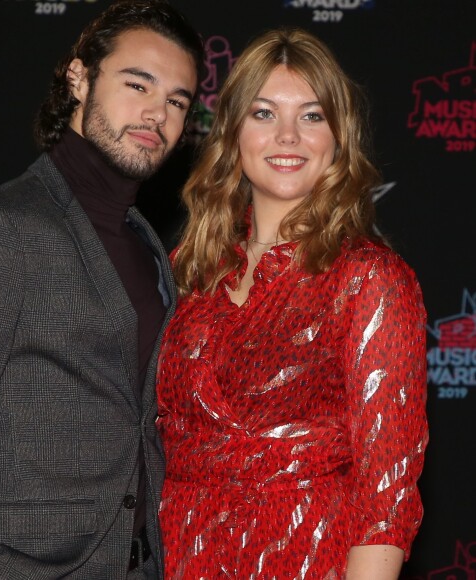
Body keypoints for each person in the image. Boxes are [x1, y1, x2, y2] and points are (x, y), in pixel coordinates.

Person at [0, 1, 204, 578]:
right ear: (80, 79)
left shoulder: (148, 247)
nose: (155, 113)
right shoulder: (0, 230)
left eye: (177, 101)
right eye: (138, 84)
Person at [156, 27, 428, 579]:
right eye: (263, 114)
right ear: (231, 132)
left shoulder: (369, 280)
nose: (287, 136)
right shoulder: (186, 270)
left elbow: (386, 498)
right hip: (181, 556)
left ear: (337, 137)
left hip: (306, 557)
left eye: (311, 115)